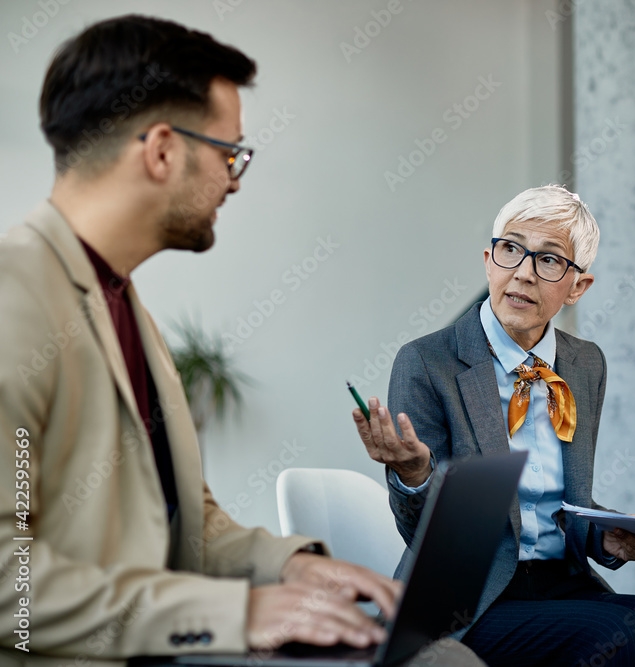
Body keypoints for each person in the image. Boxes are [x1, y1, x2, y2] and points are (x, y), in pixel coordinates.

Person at [0, 15, 481, 667]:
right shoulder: (15, 299)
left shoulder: (123, 305)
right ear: (163, 150)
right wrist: (232, 613)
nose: (236, 178)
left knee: (435, 656)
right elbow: (11, 587)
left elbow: (188, 520)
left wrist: (291, 568)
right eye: (230, 153)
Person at [353, 185, 635, 666]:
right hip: (466, 596)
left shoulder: (585, 364)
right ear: (488, 260)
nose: (523, 272)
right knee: (622, 641)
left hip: (561, 582)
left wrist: (602, 534)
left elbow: (562, 501)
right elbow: (421, 534)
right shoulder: (427, 362)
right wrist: (414, 476)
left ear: (578, 286)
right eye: (511, 249)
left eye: (549, 261)